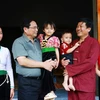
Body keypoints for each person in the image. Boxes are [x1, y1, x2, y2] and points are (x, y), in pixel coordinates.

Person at [11, 18, 57, 100]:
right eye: (34, 27)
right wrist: (43, 65)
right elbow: (22, 61)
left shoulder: (38, 42)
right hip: (27, 83)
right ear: (25, 29)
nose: (37, 30)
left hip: (41, 82)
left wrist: (55, 61)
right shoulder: (19, 42)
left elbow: (48, 53)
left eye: (37, 27)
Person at [61, 18, 100, 100]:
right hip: (72, 85)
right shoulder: (73, 42)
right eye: (77, 26)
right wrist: (63, 61)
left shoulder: (94, 43)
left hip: (86, 85)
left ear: (88, 29)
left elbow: (91, 62)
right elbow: (67, 55)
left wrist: (70, 69)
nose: (78, 28)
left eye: (81, 26)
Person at [38, 21, 60, 100]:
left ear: (54, 30)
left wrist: (58, 60)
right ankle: (46, 92)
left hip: (51, 56)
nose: (49, 30)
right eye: (47, 28)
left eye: (51, 29)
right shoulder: (41, 37)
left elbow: (56, 50)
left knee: (48, 73)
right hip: (43, 57)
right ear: (43, 29)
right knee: (43, 74)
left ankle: (51, 91)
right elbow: (41, 48)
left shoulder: (55, 38)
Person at [0, 27, 14, 100]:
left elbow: (9, 69)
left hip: (4, 81)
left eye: (1, 33)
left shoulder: (6, 50)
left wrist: (12, 87)